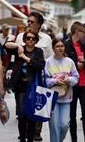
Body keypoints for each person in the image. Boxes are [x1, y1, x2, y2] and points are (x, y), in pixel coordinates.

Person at [15, 12, 53, 141]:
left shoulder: (46, 39)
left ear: (39, 24)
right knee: (22, 113)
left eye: (32, 22)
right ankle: (23, 133)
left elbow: (49, 59)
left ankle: (36, 132)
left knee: (36, 108)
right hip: (22, 80)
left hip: (38, 78)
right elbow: (13, 54)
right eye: (28, 21)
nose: (29, 24)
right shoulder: (20, 36)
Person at [5, 30, 45, 142]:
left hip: (33, 87)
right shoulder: (19, 49)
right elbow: (5, 46)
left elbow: (40, 65)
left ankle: (30, 139)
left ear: (36, 40)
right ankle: (22, 138)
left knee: (31, 116)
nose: (30, 40)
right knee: (22, 116)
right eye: (28, 38)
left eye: (33, 38)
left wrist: (25, 58)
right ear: (24, 39)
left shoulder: (38, 51)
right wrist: (17, 46)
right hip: (20, 86)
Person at [45, 39, 79, 142]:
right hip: (52, 98)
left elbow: (76, 77)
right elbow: (44, 79)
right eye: (57, 46)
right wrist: (55, 81)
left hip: (66, 97)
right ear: (53, 48)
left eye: (62, 46)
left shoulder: (69, 61)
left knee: (64, 125)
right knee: (54, 126)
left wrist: (68, 79)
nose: (60, 48)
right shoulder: (48, 62)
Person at [65, 22, 85, 142]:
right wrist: (76, 64)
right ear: (77, 32)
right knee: (72, 113)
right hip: (71, 84)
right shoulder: (66, 46)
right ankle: (74, 138)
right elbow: (63, 63)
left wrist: (84, 62)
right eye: (83, 32)